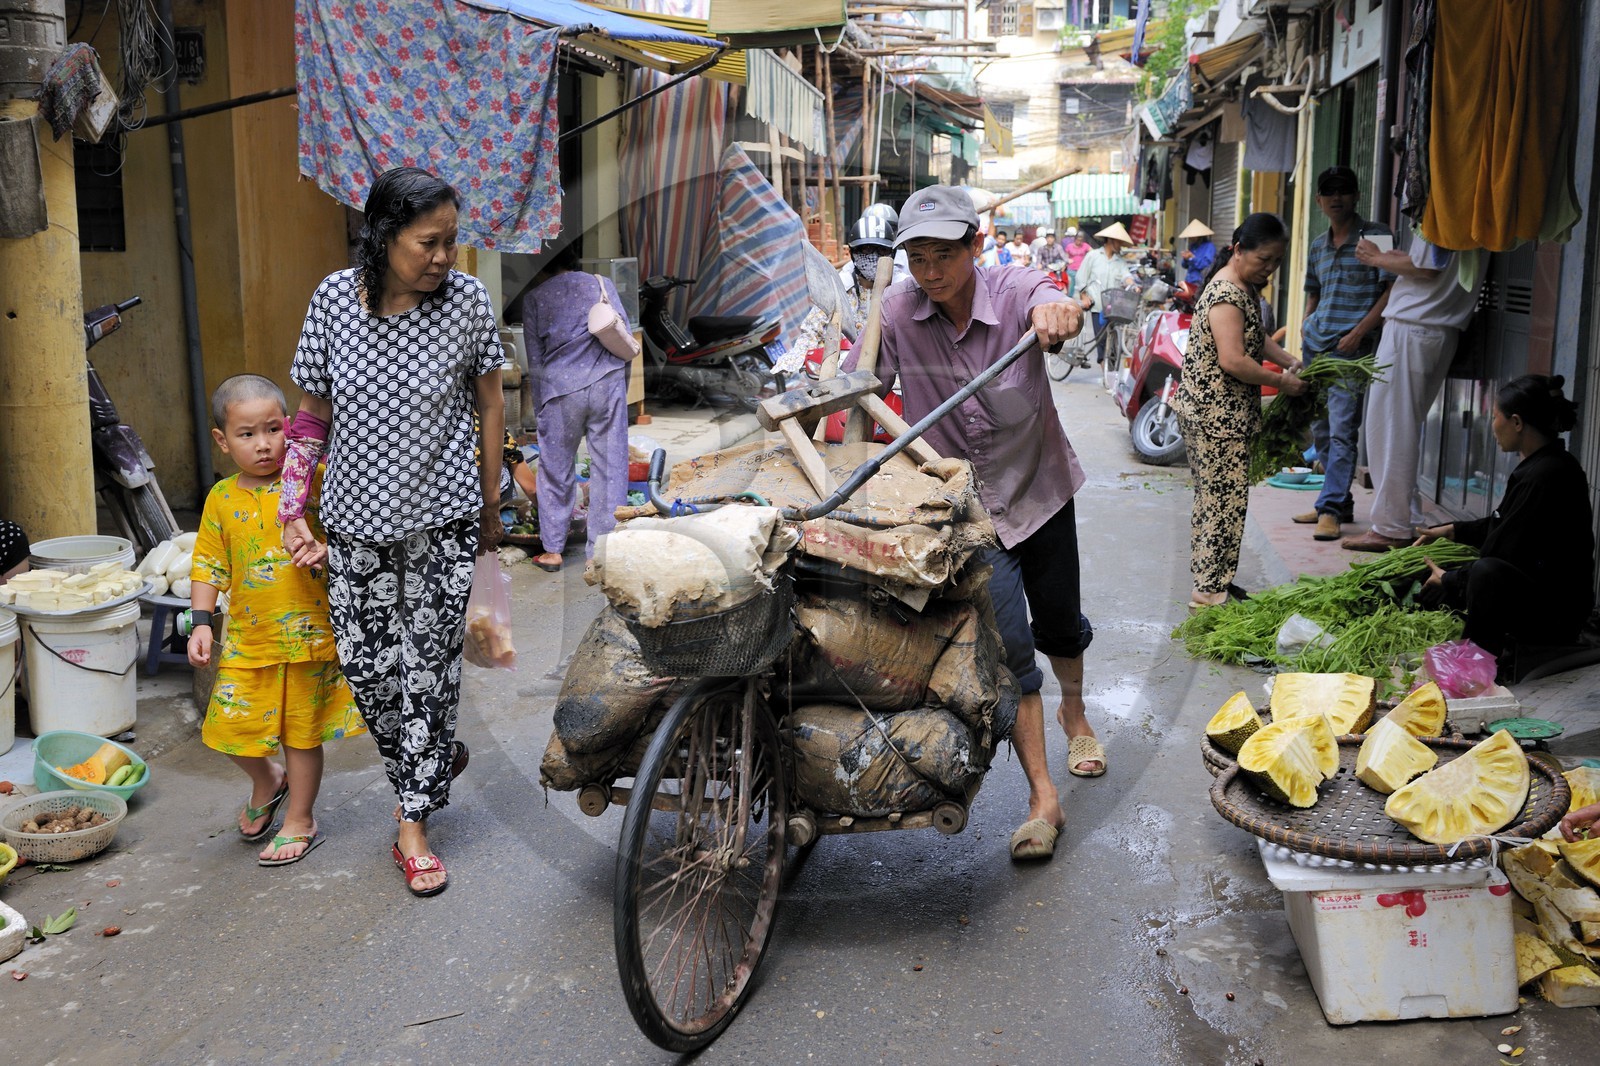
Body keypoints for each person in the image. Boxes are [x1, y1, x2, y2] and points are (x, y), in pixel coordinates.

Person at [851, 184, 1094, 862]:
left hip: (1039, 489)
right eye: (917, 259)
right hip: (971, 514)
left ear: (975, 247)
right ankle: (1044, 796)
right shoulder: (898, 312)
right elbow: (857, 391)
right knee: (1013, 650)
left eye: (943, 256)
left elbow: (1053, 297)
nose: (930, 273)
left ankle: (1076, 711)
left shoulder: (1015, 291)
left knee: (1061, 624)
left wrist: (1059, 310)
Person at [281, 166, 504, 897]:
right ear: (383, 237)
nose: (443, 257)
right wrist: (292, 506)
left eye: (452, 241)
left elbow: (491, 402)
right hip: (354, 524)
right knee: (371, 676)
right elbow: (312, 414)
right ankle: (431, 756)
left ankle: (412, 825)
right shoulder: (334, 301)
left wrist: (493, 500)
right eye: (428, 242)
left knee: (427, 671)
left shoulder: (466, 302)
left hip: (442, 519)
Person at [187, 374, 365, 866]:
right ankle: (267, 779)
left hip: (310, 636)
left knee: (300, 734)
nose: (264, 445)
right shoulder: (221, 499)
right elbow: (208, 563)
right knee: (224, 728)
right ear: (223, 441)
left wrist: (328, 552)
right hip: (248, 639)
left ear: (290, 428)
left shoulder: (315, 480)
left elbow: (353, 539)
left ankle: (300, 819)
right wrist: (201, 621)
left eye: (273, 429)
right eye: (247, 434)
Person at [1175, 215, 1309, 608]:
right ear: (1239, 250)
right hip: (1216, 417)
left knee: (1220, 500)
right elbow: (1233, 359)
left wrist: (1288, 360)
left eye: (1276, 262)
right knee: (1222, 503)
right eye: (1263, 259)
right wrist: (1284, 382)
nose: (1269, 268)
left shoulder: (1242, 287)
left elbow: (1256, 338)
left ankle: (1213, 582)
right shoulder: (1226, 295)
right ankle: (1209, 591)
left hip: (1223, 414)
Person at [1415, 375, 1595, 667]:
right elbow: (1504, 524)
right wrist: (1451, 530)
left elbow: (1501, 551)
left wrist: (1449, 578)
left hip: (1557, 615)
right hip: (1542, 593)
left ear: (1517, 422)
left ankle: (1476, 669)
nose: (1492, 426)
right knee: (1434, 586)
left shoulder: (1545, 476)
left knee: (1484, 573)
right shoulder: (1543, 465)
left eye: (1495, 417)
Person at [1340, 235, 1482, 552]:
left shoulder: (1447, 202)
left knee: (1391, 428)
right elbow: (1434, 262)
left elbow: (1428, 266)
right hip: (1429, 326)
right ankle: (1406, 519)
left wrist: (1376, 257)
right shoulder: (1469, 207)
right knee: (1398, 426)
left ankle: (1391, 528)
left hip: (1416, 325)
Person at [1294, 166, 1394, 541]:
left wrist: (1359, 333)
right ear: (1320, 201)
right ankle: (1338, 501)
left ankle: (1330, 509)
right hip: (1316, 346)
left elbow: (1390, 291)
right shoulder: (1319, 244)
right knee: (1319, 427)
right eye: (1329, 192)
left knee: (1341, 430)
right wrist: (1306, 321)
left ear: (1355, 196)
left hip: (1353, 350)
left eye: (1344, 191)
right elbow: (1314, 289)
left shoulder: (1377, 235)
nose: (1336, 198)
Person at [520, 244, 632, 573]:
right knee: (610, 467)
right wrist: (619, 388)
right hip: (606, 381)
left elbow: (535, 359)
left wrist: (542, 407)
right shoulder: (600, 284)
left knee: (555, 468)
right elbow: (622, 334)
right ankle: (601, 552)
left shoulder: (534, 298)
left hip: (559, 390)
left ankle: (553, 550)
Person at [837, 212, 911, 333]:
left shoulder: (905, 289)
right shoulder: (842, 286)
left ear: (892, 253)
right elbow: (813, 330)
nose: (874, 256)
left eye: (882, 250)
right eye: (867, 249)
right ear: (853, 253)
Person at [1073, 222, 1135, 365]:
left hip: (1114, 306)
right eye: (1119, 242)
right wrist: (1084, 295)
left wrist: (1132, 284)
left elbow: (1126, 276)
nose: (1120, 245)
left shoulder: (1119, 261)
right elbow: (1081, 277)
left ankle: (1111, 373)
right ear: (1111, 240)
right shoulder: (1093, 256)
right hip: (1096, 304)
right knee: (1100, 340)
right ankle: (1104, 368)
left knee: (1114, 338)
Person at [1177, 218, 1216, 288]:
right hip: (1189, 280)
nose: (1190, 238)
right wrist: (1186, 258)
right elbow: (1184, 265)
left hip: (1200, 282)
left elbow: (1207, 265)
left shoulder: (1209, 246)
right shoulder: (1192, 246)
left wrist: (1192, 258)